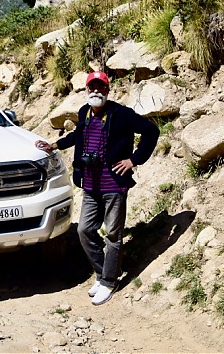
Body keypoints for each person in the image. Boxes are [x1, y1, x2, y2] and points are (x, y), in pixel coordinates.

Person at [35, 71, 159, 306]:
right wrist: (54, 145)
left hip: (114, 184)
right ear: (85, 91)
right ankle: (103, 275)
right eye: (91, 88)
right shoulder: (85, 113)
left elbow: (151, 131)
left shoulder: (121, 114)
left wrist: (134, 160)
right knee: (84, 230)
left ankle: (109, 282)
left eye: (100, 88)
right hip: (91, 185)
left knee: (113, 234)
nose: (96, 91)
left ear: (108, 90)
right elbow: (78, 134)